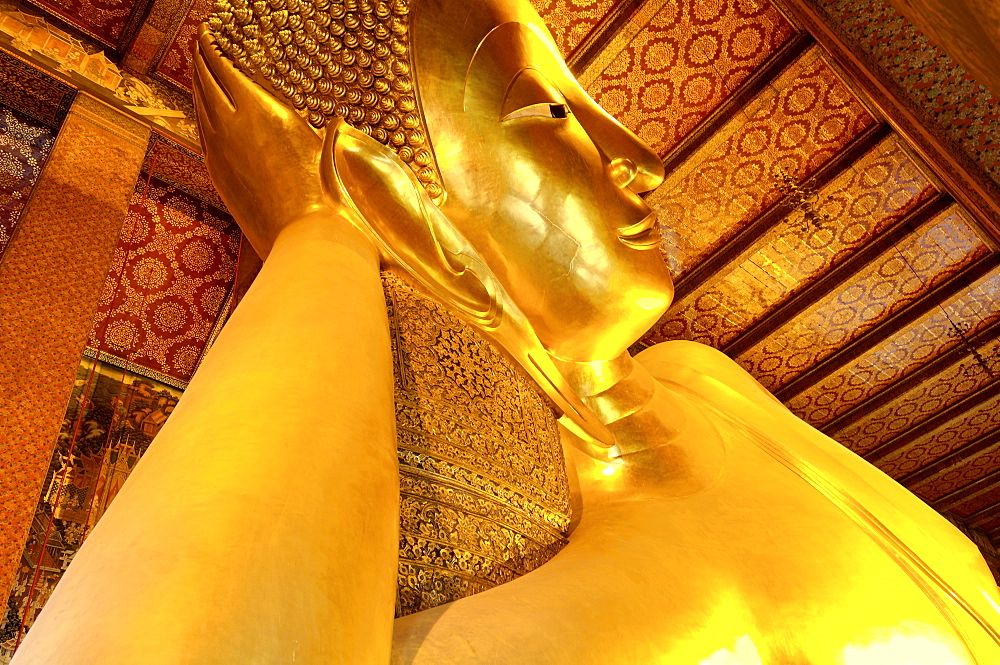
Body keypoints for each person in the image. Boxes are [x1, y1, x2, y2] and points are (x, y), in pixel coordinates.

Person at [13, 0, 1000, 663]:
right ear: (383, 186)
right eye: (545, 111)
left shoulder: (702, 382)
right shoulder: (448, 569)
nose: (640, 157)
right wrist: (322, 239)